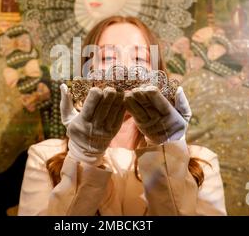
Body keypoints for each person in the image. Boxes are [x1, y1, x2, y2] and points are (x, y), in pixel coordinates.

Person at [18, 16, 226, 216]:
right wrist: (84, 157)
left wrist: (167, 152)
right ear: (87, 71)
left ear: (158, 73)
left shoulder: (202, 163)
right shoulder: (44, 157)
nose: (125, 69)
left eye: (139, 58)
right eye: (108, 57)